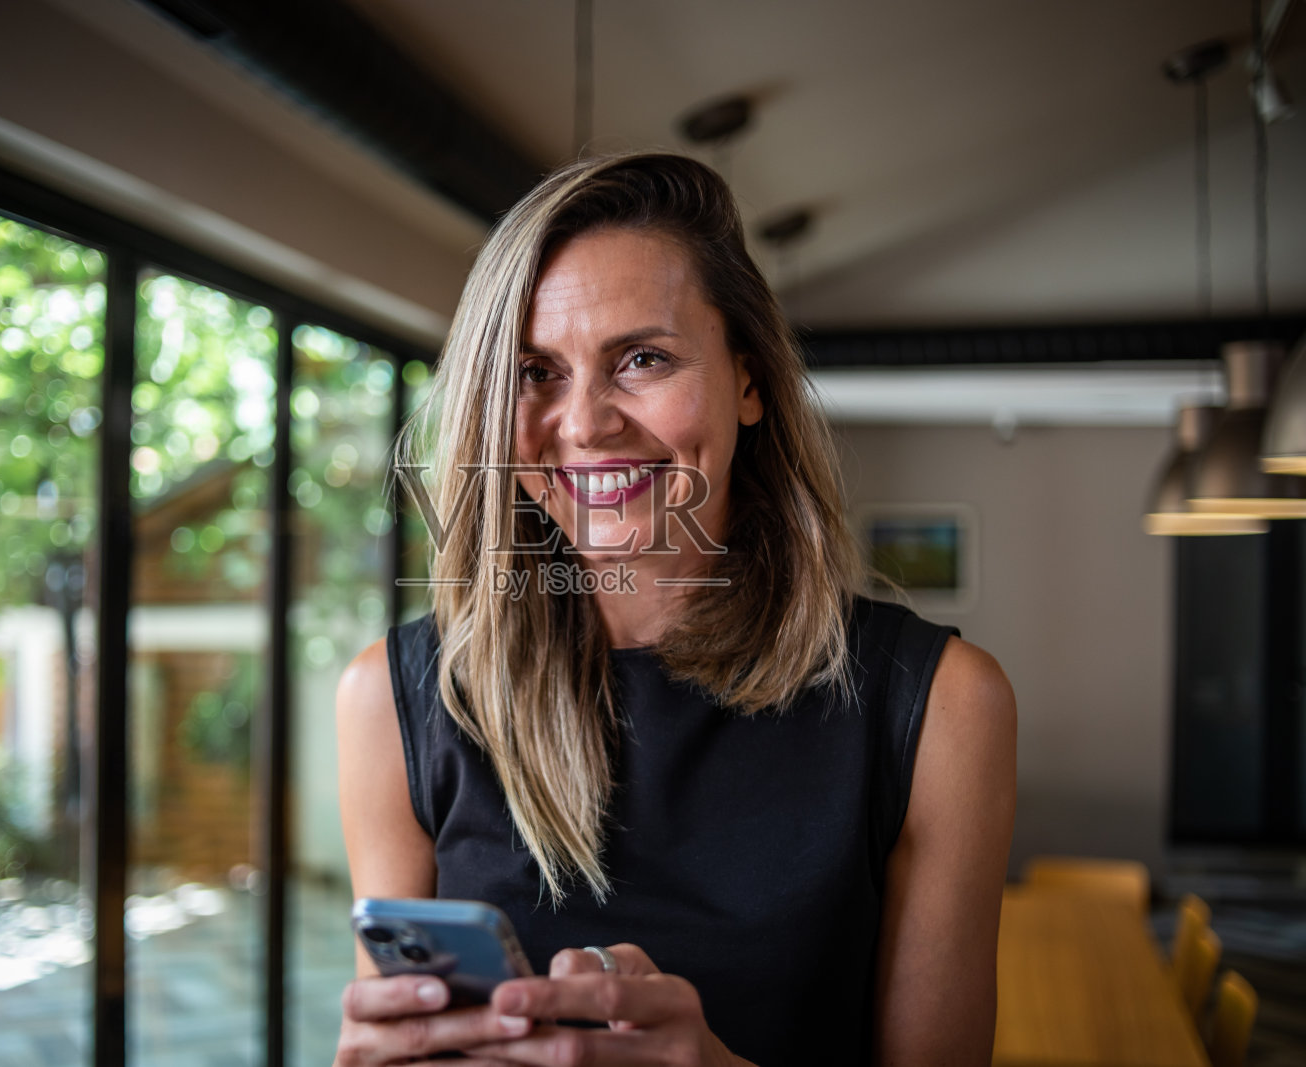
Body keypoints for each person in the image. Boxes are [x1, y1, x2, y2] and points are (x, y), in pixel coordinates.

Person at [334, 151, 1016, 1066]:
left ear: (749, 381)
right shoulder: (392, 700)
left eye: (642, 359)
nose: (583, 423)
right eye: (535, 370)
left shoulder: (939, 706)